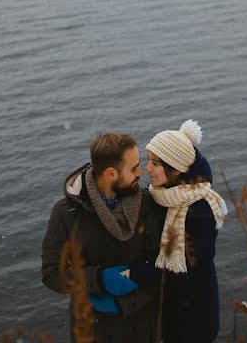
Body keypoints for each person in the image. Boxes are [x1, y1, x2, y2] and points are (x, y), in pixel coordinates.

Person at [41, 132, 164, 343]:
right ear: (111, 174)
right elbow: (52, 274)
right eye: (133, 168)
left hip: (142, 325)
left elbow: (164, 262)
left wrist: (132, 296)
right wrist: (98, 280)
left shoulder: (148, 204)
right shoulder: (66, 214)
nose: (140, 172)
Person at [140, 119, 228, 343]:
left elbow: (187, 271)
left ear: (176, 169)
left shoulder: (199, 210)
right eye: (148, 161)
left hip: (192, 315)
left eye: (156, 164)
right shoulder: (163, 195)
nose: (147, 169)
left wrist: (135, 273)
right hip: (171, 309)